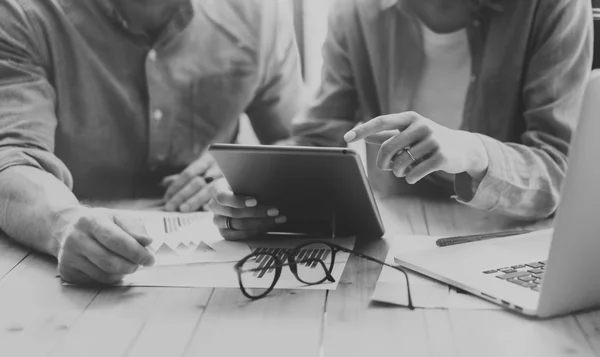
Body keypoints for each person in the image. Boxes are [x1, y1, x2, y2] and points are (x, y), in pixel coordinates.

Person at [209, 0, 593, 240]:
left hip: (509, 240)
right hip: (396, 237)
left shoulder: (552, 6)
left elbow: (558, 172)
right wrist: (253, 190)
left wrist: (472, 151)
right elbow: (320, 138)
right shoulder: (355, 11)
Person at [0, 0, 302, 284]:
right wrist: (65, 223)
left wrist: (244, 170)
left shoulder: (258, 14)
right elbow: (11, 159)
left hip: (223, 269)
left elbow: (301, 144)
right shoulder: (24, 12)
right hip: (59, 265)